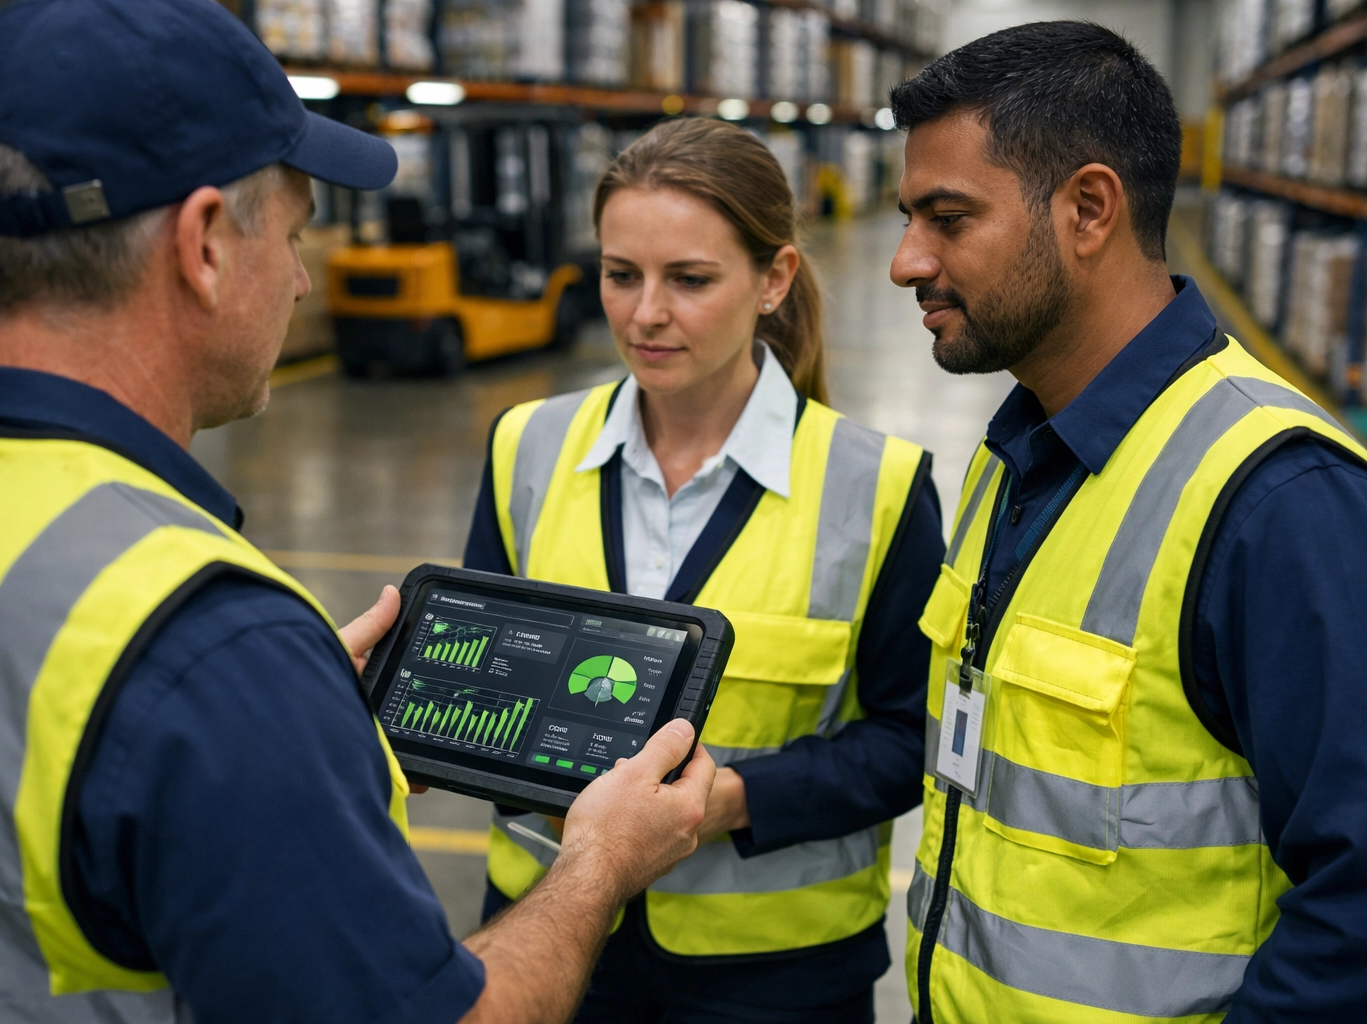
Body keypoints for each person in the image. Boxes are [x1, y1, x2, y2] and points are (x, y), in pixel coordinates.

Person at [0, 2, 716, 1022]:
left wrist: (274, 718)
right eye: (294, 233)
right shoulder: (210, 646)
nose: (301, 280)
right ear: (204, 243)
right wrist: (598, 861)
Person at [887, 21, 1367, 1023]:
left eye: (946, 217)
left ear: (1089, 209)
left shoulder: (1278, 502)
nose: (904, 261)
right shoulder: (1019, 449)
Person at [463, 118, 943, 1022]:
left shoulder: (875, 486)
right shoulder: (524, 446)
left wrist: (729, 802)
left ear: (774, 279)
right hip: (551, 940)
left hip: (774, 975)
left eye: (689, 280)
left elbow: (909, 741)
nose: (646, 313)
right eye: (620, 275)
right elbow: (479, 680)